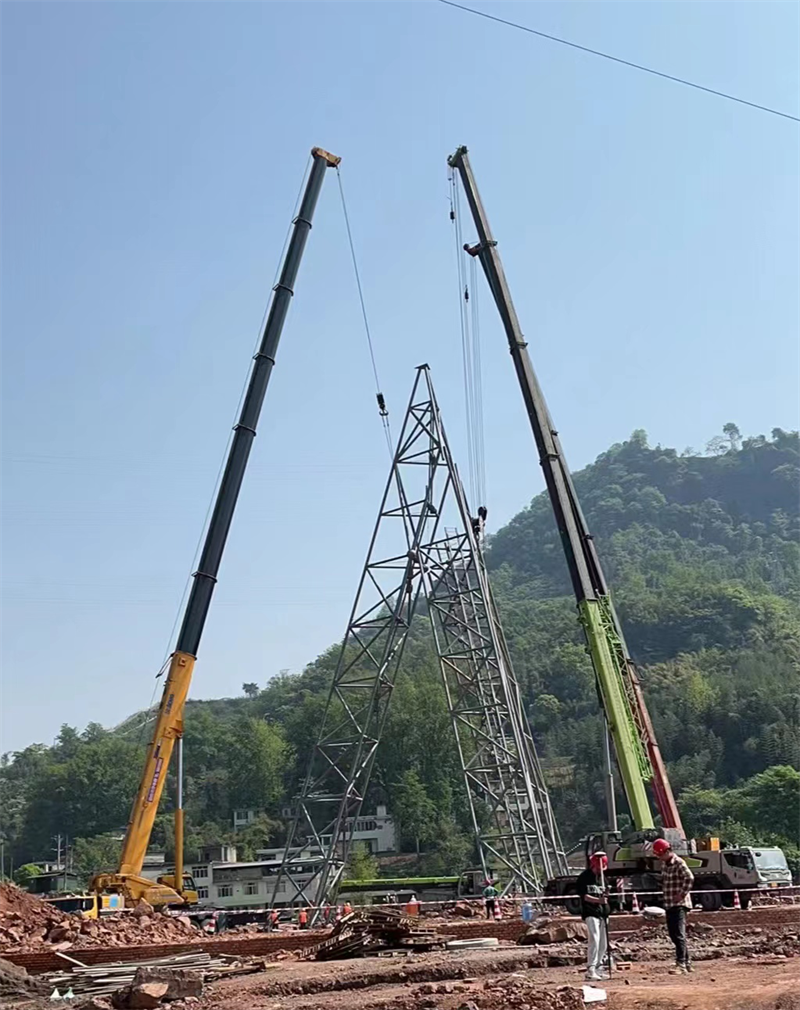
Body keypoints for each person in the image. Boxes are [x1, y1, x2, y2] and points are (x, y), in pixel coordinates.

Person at [653, 838, 694, 973]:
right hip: (669, 903)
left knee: (679, 934)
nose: (659, 858)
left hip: (679, 904)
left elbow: (689, 878)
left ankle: (681, 964)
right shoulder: (665, 865)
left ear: (667, 851)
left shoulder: (679, 863)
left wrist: (681, 894)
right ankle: (686, 962)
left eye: (660, 855)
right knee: (673, 934)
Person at [576, 851, 610, 982]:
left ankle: (598, 967)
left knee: (603, 942)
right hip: (591, 912)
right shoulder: (585, 877)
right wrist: (598, 900)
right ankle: (591, 968)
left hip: (603, 913)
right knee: (594, 939)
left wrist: (606, 895)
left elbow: (606, 894)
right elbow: (584, 896)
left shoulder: (602, 878)